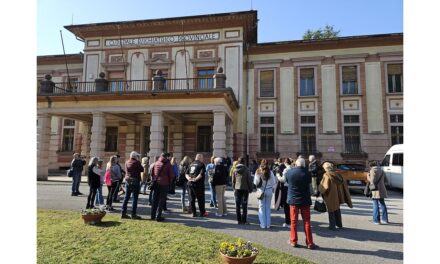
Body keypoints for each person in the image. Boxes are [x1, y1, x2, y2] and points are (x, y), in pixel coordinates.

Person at [285, 157, 316, 249]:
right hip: (305, 200)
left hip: (293, 200)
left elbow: (287, 181)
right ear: (304, 164)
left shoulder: (289, 172)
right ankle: (309, 243)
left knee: (293, 221)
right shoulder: (308, 173)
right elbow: (309, 183)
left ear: (296, 164)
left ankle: (293, 241)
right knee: (307, 222)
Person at [319, 162, 353, 230]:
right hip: (338, 195)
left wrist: (320, 191)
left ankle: (332, 226)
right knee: (337, 209)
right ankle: (339, 224)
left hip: (330, 195)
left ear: (326, 168)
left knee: (331, 209)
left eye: (324, 168)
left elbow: (324, 187)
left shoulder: (327, 175)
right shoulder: (338, 174)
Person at [254, 159, 278, 229]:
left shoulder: (258, 171)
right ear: (268, 164)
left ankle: (263, 224)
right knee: (267, 208)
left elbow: (255, 182)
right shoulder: (270, 172)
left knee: (261, 208)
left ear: (261, 164)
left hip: (261, 190)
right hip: (269, 190)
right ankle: (268, 225)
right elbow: (274, 183)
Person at [151, 153, 173, 222]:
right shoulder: (168, 164)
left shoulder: (156, 163)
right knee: (161, 201)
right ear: (166, 157)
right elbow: (171, 175)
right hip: (164, 184)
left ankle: (152, 215)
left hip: (156, 183)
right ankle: (158, 216)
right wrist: (169, 183)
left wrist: (154, 180)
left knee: (155, 200)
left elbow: (152, 173)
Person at [121, 151, 144, 219]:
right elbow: (142, 169)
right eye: (137, 156)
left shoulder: (127, 162)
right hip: (135, 180)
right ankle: (133, 214)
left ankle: (123, 212)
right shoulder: (137, 162)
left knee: (126, 197)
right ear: (135, 156)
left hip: (128, 180)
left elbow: (126, 171)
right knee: (134, 198)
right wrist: (139, 161)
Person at [231, 157, 253, 224]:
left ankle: (238, 220)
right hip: (245, 188)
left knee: (237, 205)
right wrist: (251, 188)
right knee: (244, 205)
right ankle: (244, 220)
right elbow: (249, 180)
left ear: (238, 162)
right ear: (244, 162)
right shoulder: (246, 169)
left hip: (237, 188)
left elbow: (233, 181)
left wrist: (233, 188)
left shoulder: (235, 170)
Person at [277, 158, 293, 228]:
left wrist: (278, 176)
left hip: (286, 188)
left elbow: (283, 180)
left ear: (286, 163)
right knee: (292, 206)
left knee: (286, 206)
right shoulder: (293, 169)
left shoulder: (286, 170)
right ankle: (293, 221)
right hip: (292, 188)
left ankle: (288, 222)